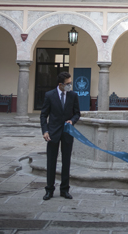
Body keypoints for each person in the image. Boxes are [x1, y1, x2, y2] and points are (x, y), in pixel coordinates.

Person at [40, 71, 80, 200]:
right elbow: (43, 115)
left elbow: (77, 113)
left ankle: (64, 190)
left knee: (66, 161)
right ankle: (49, 190)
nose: (70, 86)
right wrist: (45, 131)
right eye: (68, 84)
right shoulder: (49, 95)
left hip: (67, 132)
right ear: (60, 84)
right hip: (52, 133)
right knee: (51, 162)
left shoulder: (73, 95)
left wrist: (72, 121)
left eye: (70, 83)